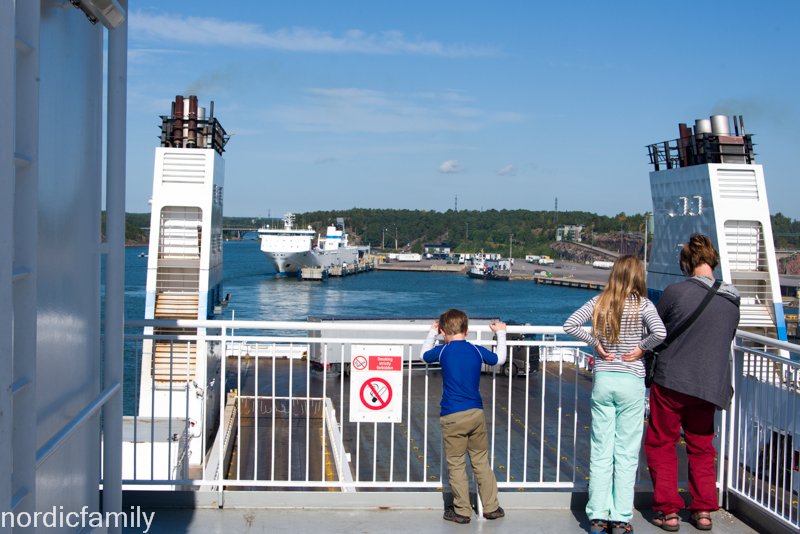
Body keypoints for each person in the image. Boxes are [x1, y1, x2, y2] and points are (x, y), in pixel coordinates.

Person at [564, 255, 667, 534]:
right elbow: (660, 332)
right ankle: (621, 518)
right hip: (631, 381)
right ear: (638, 276)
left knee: (600, 450)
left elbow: (570, 325)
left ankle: (597, 517)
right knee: (625, 452)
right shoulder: (644, 305)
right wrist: (641, 349)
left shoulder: (600, 302)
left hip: (604, 380)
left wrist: (596, 343)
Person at [645, 234, 740, 532]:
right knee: (701, 447)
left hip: (672, 381)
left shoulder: (676, 292)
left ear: (687, 263)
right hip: (710, 384)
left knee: (662, 443)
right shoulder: (732, 299)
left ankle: (668, 511)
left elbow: (655, 330)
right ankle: (702, 511)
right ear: (713, 261)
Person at [420, 309, 507, 524]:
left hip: (452, 416)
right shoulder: (477, 350)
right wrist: (501, 333)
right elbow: (500, 359)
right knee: (480, 462)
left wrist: (431, 333)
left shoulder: (442, 351)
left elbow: (423, 355)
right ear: (466, 331)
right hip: (476, 413)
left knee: (457, 464)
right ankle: (491, 508)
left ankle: (462, 511)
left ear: (443, 332)